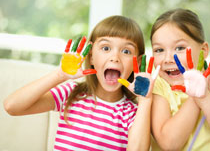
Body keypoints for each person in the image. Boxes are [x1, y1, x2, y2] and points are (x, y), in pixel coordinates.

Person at [4, 15, 154, 151]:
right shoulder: (71, 93)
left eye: (126, 51)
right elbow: (12, 106)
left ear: (138, 62)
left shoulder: (132, 113)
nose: (115, 57)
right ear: (91, 56)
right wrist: (59, 75)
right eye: (106, 48)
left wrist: (145, 100)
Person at [150, 8, 210, 150]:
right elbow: (169, 144)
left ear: (204, 50)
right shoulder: (158, 84)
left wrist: (205, 98)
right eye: (159, 50)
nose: (168, 59)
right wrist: (195, 97)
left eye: (179, 48)